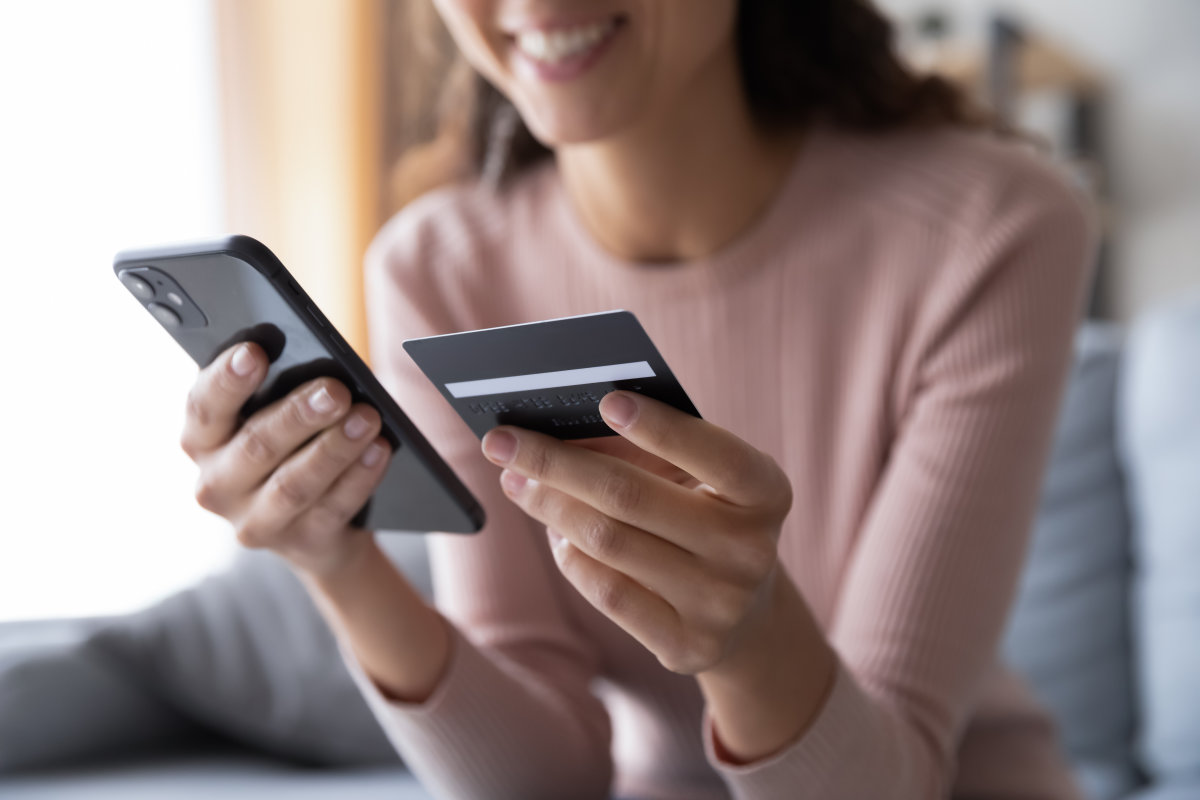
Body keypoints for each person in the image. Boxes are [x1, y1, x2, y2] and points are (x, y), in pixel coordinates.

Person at [180, 1, 1095, 797]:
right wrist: (339, 566)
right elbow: (544, 779)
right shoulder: (437, 269)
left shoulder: (992, 230)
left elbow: (890, 781)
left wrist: (750, 640)